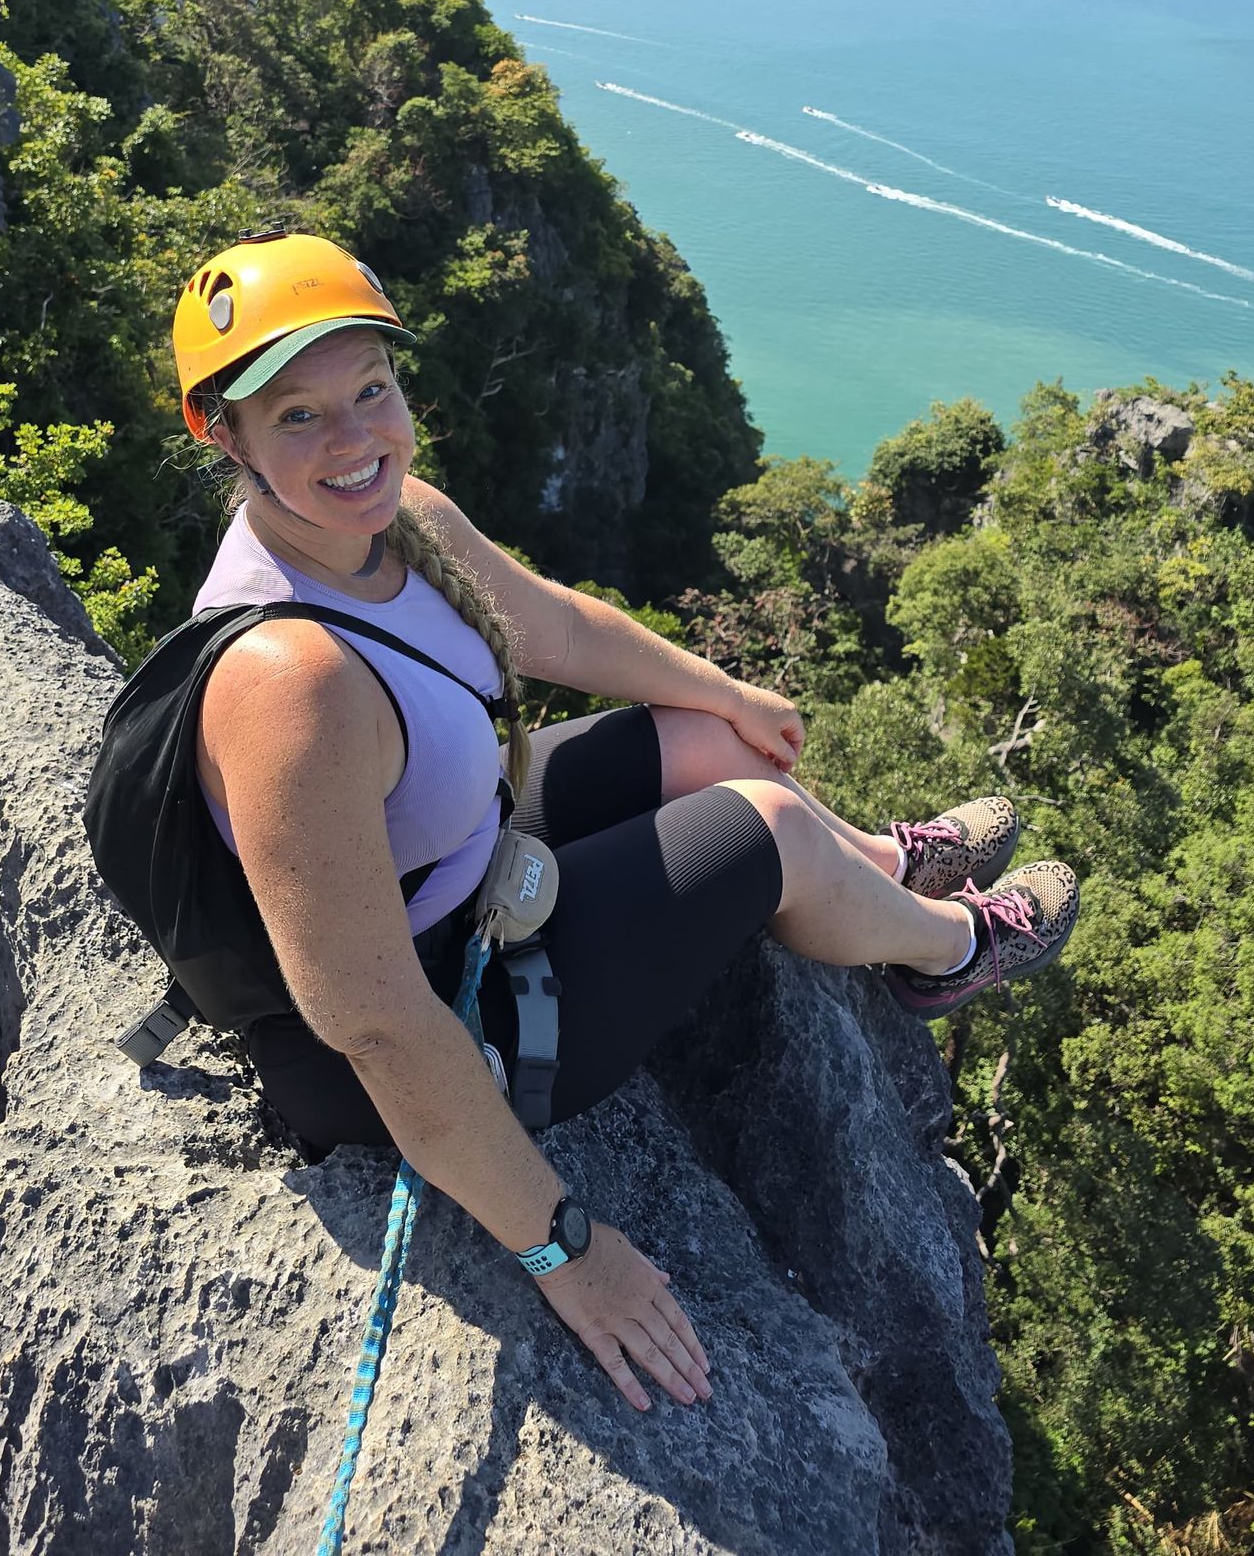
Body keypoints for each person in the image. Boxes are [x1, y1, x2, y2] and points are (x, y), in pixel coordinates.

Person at [176, 232, 1079, 1416]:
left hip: (461, 847)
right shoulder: (289, 686)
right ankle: (944, 951)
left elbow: (556, 626)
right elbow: (378, 1023)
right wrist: (563, 1247)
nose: (354, 439)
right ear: (222, 433)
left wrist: (722, 691)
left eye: (371, 390)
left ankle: (882, 866)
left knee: (716, 747)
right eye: (296, 416)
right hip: (437, 1015)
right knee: (762, 824)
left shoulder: (395, 522)